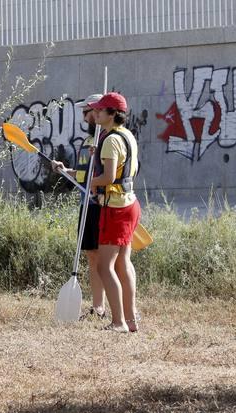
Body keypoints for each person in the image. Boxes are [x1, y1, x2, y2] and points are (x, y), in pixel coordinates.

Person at [87, 92, 141, 333]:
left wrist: (90, 182)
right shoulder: (128, 135)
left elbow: (108, 177)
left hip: (115, 207)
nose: (95, 113)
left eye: (100, 110)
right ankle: (131, 320)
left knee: (104, 267)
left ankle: (118, 322)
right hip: (130, 204)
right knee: (123, 262)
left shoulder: (109, 140)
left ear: (112, 114)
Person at [53, 94, 106, 318]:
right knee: (92, 256)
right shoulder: (87, 142)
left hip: (103, 205)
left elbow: (112, 172)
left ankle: (116, 307)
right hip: (87, 205)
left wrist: (101, 155)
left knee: (106, 258)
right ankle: (98, 306)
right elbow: (84, 175)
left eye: (87, 112)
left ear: (96, 111)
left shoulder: (108, 138)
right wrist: (65, 170)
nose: (84, 117)